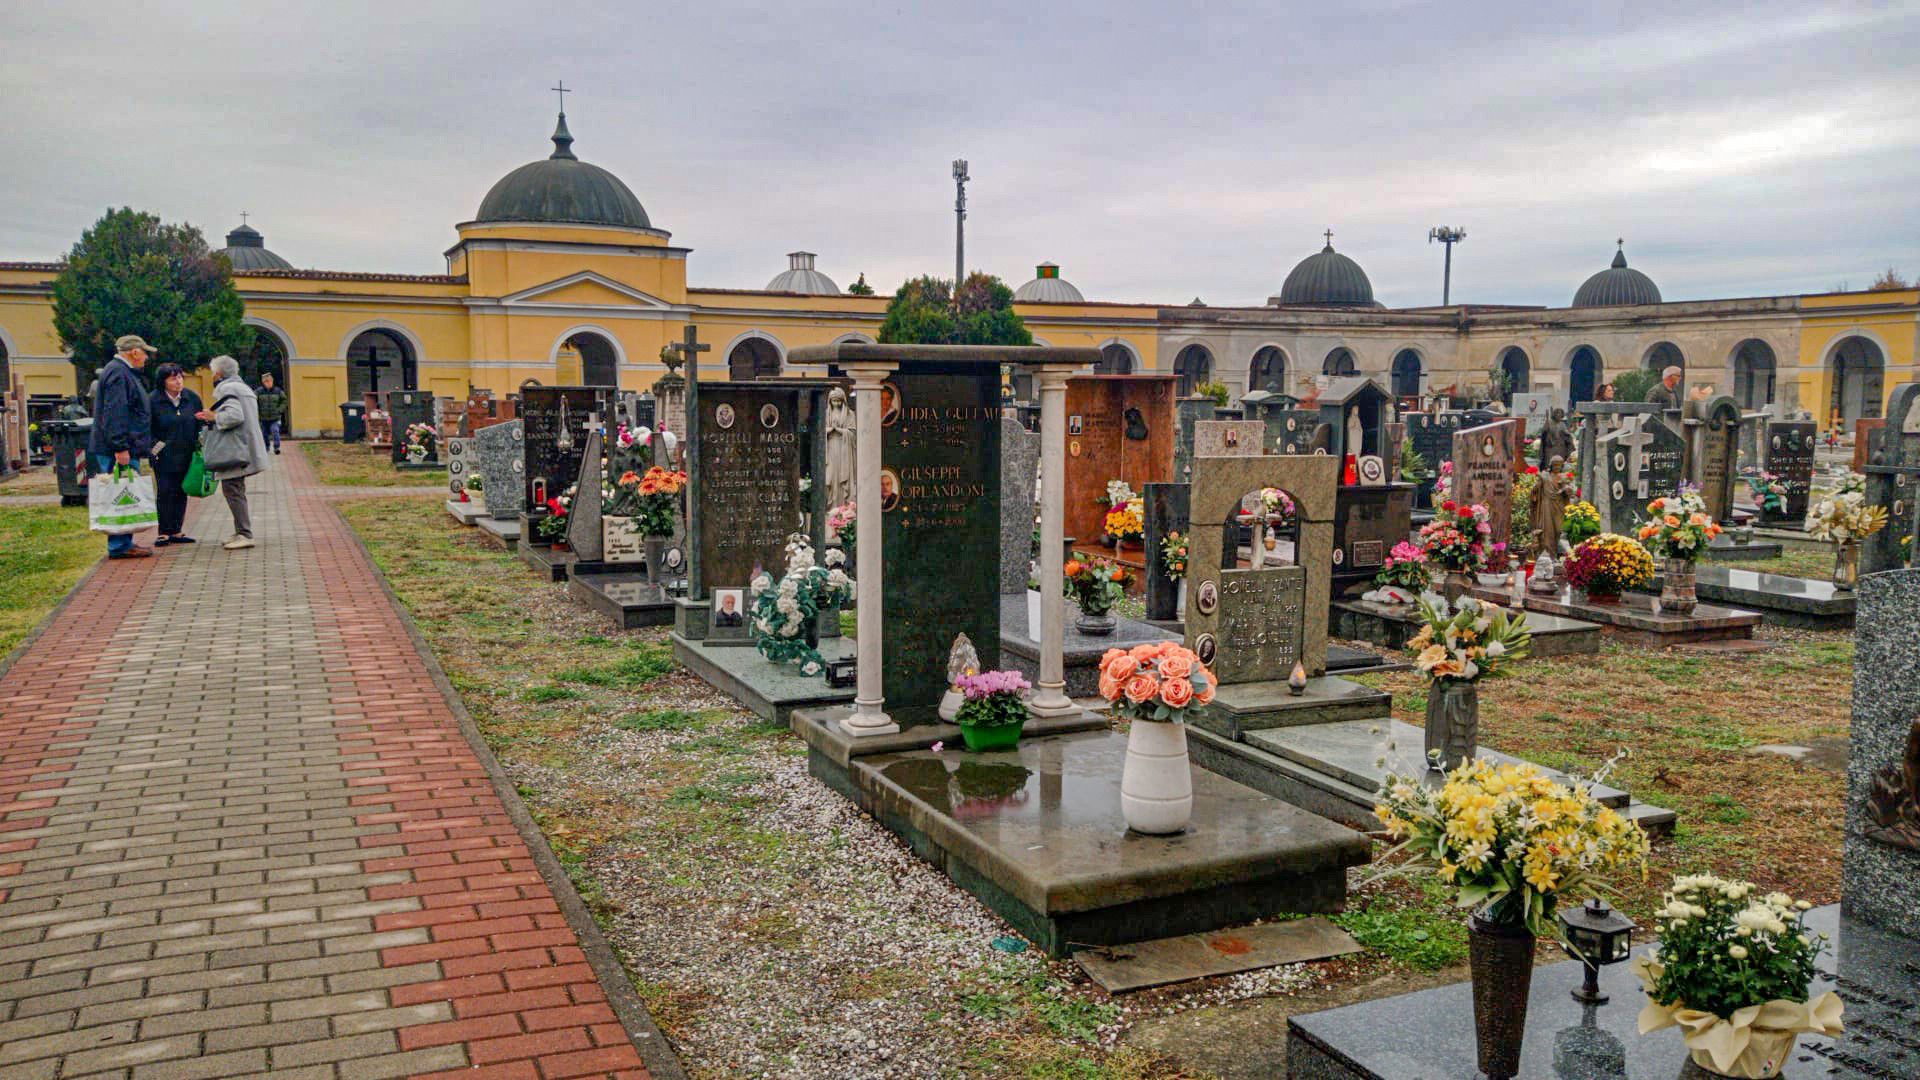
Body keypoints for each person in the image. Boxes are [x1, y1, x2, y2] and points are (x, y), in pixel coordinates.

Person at [87, 334, 158, 560]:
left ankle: (123, 541)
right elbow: (115, 413)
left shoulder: (119, 371)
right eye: (145, 352)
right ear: (135, 352)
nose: (146, 357)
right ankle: (119, 545)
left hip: (119, 445)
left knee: (122, 490)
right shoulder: (119, 372)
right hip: (117, 447)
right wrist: (120, 448)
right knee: (121, 492)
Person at [206, 354, 271, 550]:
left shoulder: (227, 388)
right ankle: (240, 531)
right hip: (246, 445)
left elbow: (234, 415)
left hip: (234, 449)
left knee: (232, 489)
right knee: (235, 489)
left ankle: (245, 533)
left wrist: (213, 416)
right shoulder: (243, 387)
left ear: (217, 373)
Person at [148, 362, 211, 546]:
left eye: (180, 377)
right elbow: (146, 427)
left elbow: (200, 423)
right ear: (163, 381)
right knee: (165, 491)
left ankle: (176, 530)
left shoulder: (191, 398)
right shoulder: (153, 400)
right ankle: (163, 532)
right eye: (173, 378)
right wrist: (154, 448)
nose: (178, 381)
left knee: (181, 491)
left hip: (187, 453)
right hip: (163, 455)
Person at [256, 371, 288, 454]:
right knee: (264, 434)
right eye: (266, 381)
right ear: (263, 382)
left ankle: (276, 447)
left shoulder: (278, 391)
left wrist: (280, 410)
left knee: (275, 431)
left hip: (275, 417)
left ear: (272, 381)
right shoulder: (258, 391)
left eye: (270, 381)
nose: (268, 383)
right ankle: (266, 447)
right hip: (263, 418)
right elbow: (253, 401)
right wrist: (257, 412)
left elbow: (284, 401)